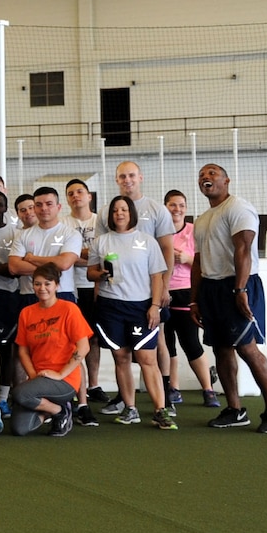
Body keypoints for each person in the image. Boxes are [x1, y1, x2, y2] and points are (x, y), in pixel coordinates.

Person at [193, 164, 267, 433]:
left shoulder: (238, 208)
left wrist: (240, 289)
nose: (206, 178)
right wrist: (195, 300)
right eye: (202, 175)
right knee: (221, 349)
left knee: (247, 348)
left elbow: (244, 248)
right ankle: (235, 410)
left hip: (238, 285)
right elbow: (198, 261)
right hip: (211, 289)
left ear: (227, 180)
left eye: (212, 173)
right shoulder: (202, 218)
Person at [88, 195, 173, 429]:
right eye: (115, 210)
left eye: (124, 209)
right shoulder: (101, 242)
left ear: (131, 212)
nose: (119, 213)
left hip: (141, 307)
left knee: (148, 358)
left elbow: (157, 276)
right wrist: (100, 274)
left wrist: (155, 306)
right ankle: (130, 408)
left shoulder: (147, 241)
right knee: (121, 357)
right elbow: (90, 273)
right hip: (110, 306)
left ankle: (160, 410)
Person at [6, 185, 90, 425]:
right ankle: (31, 395)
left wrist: (31, 259)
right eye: (38, 205)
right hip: (27, 297)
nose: (43, 209)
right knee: (25, 350)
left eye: (48, 204)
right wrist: (46, 268)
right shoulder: (24, 235)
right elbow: (14, 267)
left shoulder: (69, 233)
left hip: (62, 296)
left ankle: (81, 404)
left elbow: (65, 264)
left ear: (58, 207)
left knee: (73, 350)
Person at [9, 265, 91, 437]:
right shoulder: (26, 313)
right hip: (39, 379)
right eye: (37, 284)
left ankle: (60, 411)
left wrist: (60, 374)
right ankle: (54, 410)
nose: (42, 288)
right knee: (20, 428)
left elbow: (84, 347)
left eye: (47, 284)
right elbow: (22, 351)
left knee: (19, 394)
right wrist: (32, 375)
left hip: (64, 381)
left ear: (57, 286)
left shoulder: (69, 309)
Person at [160, 190, 221, 410]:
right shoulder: (159, 233)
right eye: (172, 205)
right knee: (167, 346)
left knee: (191, 343)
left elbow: (207, 259)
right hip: (164, 292)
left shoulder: (194, 231)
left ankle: (208, 389)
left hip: (187, 292)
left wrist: (186, 258)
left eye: (181, 205)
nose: (177, 209)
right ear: (165, 207)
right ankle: (173, 388)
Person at [0, 191, 28, 408]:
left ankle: (2, 400)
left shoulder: (15, 233)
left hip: (8, 298)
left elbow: (15, 270)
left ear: (4, 209)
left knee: (6, 350)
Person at [64, 179, 106, 409]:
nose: (76, 196)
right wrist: (90, 257)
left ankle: (94, 385)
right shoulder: (62, 223)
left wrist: (77, 256)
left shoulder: (100, 221)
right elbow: (63, 256)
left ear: (89, 196)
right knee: (72, 340)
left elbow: (105, 252)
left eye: (80, 191)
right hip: (70, 288)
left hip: (95, 287)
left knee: (93, 338)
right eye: (71, 193)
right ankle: (72, 383)